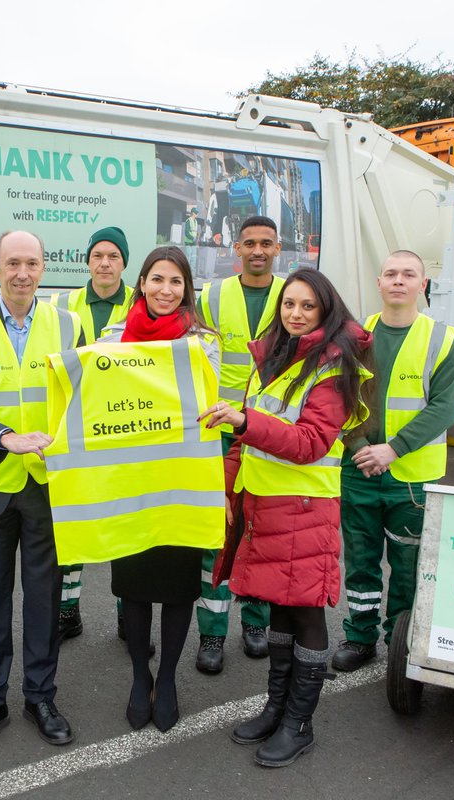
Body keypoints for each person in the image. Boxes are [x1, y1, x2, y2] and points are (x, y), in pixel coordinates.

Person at [202, 268, 372, 768]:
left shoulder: (334, 367)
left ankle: (299, 722)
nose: (295, 314)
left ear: (326, 311)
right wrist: (229, 485)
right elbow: (247, 442)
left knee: (306, 612)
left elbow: (308, 443)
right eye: (288, 305)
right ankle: (276, 707)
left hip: (304, 508)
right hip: (264, 503)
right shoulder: (274, 358)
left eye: (307, 307)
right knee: (278, 605)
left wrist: (244, 420)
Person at [0, 230, 82, 754]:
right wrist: (6, 439)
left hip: (49, 485)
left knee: (45, 600)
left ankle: (40, 696)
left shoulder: (70, 324)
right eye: (12, 263)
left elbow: (82, 400)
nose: (22, 272)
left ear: (43, 269)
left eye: (31, 263)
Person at [95, 245, 220, 732]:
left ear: (187, 289)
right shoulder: (112, 337)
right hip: (131, 479)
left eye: (176, 282)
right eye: (157, 280)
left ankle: (166, 677)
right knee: (134, 585)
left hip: (181, 481)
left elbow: (206, 411)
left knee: (177, 586)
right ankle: (138, 673)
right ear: (141, 283)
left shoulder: (203, 341)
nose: (166, 291)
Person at [332, 250, 454, 673]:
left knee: (408, 565)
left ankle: (401, 639)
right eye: (391, 273)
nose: (399, 281)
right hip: (358, 470)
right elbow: (336, 398)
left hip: (411, 477)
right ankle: (359, 636)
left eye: (409, 274)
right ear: (379, 282)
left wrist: (393, 449)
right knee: (361, 559)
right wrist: (358, 449)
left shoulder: (443, 339)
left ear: (422, 284)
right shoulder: (353, 336)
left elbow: (445, 407)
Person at [192, 214, 284, 674]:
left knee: (260, 530)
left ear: (278, 247)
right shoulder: (211, 295)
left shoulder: (293, 295)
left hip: (268, 431)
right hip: (218, 429)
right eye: (249, 243)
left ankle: (256, 623)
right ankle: (211, 634)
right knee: (216, 531)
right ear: (236, 248)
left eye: (266, 243)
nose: (257, 251)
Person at [49, 226, 134, 642]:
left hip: (124, 432)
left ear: (124, 263)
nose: (104, 263)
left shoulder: (142, 301)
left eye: (113, 257)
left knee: (123, 530)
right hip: (77, 430)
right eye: (98, 255)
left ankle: (126, 614)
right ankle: (68, 611)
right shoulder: (62, 303)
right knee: (75, 524)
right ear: (87, 261)